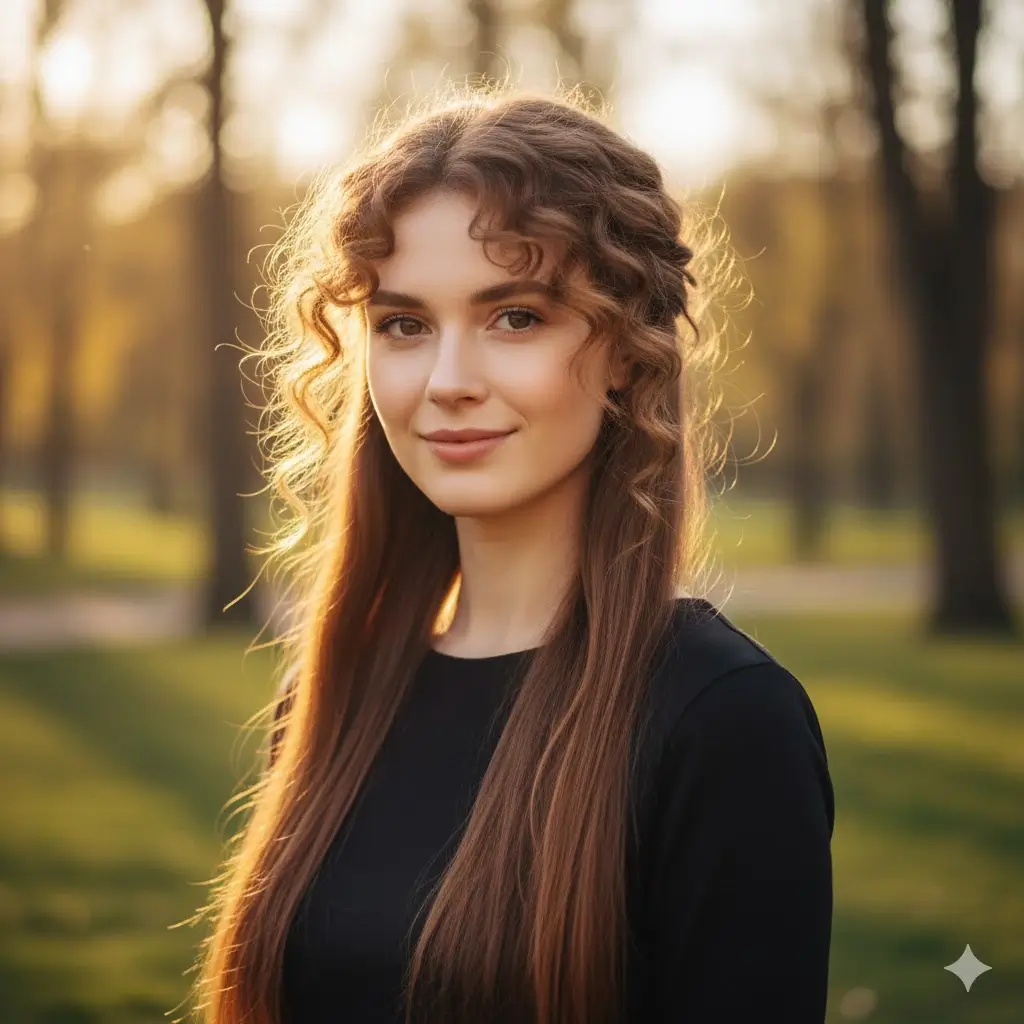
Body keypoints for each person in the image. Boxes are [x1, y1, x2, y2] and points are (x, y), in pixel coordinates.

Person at [190, 86, 834, 1024]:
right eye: (405, 325)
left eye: (516, 317)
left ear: (627, 351)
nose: (448, 381)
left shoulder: (723, 721)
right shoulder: (335, 690)